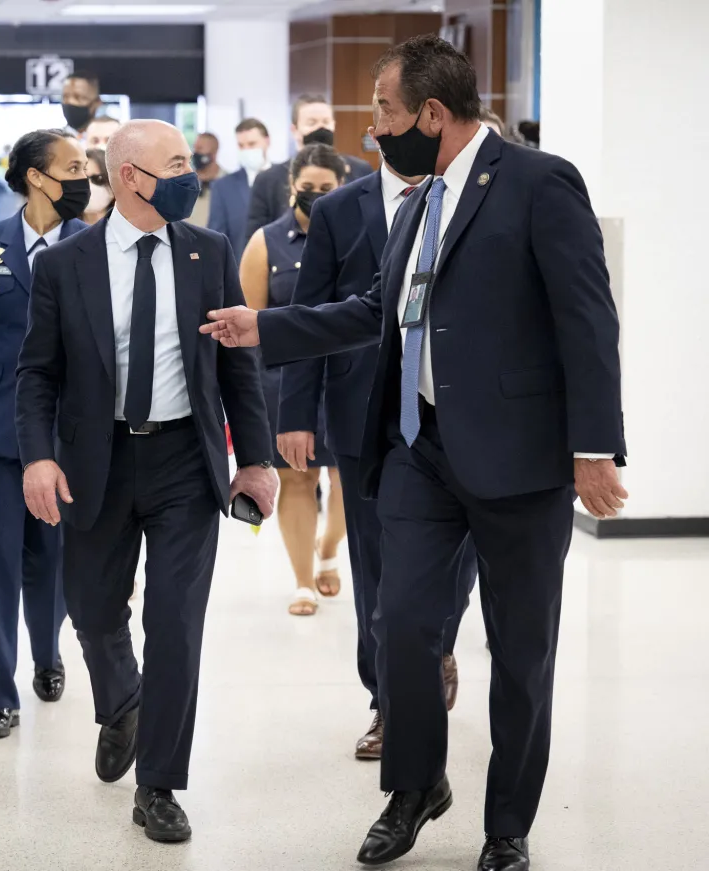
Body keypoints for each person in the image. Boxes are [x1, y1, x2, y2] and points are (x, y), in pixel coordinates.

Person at [201, 35, 627, 871]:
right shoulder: (418, 199)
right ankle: (416, 785)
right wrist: (268, 327)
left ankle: (507, 823)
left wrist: (594, 446)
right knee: (399, 624)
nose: (373, 136)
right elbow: (373, 309)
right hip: (417, 449)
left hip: (520, 458)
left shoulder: (541, 184)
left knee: (520, 647)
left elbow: (588, 318)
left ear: (433, 113)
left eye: (385, 114)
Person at [16, 119, 278, 844]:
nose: (191, 174)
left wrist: (254, 458)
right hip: (94, 462)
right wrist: (39, 456)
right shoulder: (66, 266)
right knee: (93, 611)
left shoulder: (209, 251)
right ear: (130, 176)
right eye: (176, 164)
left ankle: (159, 784)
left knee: (174, 624)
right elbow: (37, 373)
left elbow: (236, 366)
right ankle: (122, 700)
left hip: (183, 465)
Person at [282, 110, 476, 757]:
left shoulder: (464, 199)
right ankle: (388, 702)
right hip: (365, 417)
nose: (384, 126)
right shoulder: (339, 210)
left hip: (454, 418)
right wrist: (294, 415)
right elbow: (312, 314)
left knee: (455, 561)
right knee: (375, 570)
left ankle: (437, 645)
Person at [0, 129, 90, 740]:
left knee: (54, 559)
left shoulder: (94, 246)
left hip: (66, 433)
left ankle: (48, 653)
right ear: (37, 175)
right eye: (74, 166)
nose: (85, 177)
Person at [239, 144, 347, 617]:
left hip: (348, 375)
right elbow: (248, 323)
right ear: (291, 189)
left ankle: (328, 547)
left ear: (343, 188)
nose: (317, 196)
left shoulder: (363, 234)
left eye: (328, 189)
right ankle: (303, 580)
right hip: (283, 380)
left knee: (350, 479)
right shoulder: (265, 241)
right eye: (308, 189)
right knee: (296, 479)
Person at [246, 95, 374, 238]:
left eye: (326, 122)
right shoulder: (268, 179)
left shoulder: (360, 170)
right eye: (311, 123)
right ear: (294, 130)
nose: (320, 128)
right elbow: (255, 236)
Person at [208, 118, 272, 260]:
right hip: (239, 272)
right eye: (241, 145)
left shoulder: (286, 178)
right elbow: (216, 238)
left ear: (267, 141)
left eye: (252, 144)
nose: (247, 150)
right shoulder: (223, 187)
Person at [187, 132, 224, 228]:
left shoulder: (227, 182)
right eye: (194, 148)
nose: (195, 152)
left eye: (200, 148)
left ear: (213, 153)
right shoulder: (185, 180)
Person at [84, 147, 114, 224]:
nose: (89, 185)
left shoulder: (128, 228)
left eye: (98, 179)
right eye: (83, 179)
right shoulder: (60, 230)